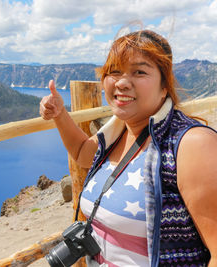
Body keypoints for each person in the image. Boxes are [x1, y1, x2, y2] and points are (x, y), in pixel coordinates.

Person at [40, 29, 217, 267]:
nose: (122, 82)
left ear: (165, 85)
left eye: (139, 72)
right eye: (114, 72)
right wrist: (60, 114)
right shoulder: (120, 131)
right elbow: (83, 153)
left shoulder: (191, 144)